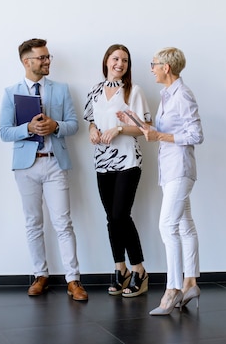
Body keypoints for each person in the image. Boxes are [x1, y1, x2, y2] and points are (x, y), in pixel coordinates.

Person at [0, 38, 88, 301]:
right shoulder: (9, 92)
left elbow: (74, 125)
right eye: (42, 58)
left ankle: (74, 280)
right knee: (33, 223)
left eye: (48, 57)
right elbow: (3, 132)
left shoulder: (61, 89)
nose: (48, 61)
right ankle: (41, 275)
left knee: (63, 223)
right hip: (26, 166)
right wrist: (28, 128)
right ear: (27, 62)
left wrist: (55, 126)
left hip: (54, 162)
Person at [117, 47, 203, 316]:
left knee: (167, 226)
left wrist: (160, 137)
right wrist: (146, 129)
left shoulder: (183, 94)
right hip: (171, 169)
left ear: (166, 67)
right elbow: (170, 131)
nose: (151, 68)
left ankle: (173, 288)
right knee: (184, 225)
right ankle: (190, 282)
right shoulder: (168, 95)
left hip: (180, 169)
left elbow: (196, 134)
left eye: (154, 64)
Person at [83, 44, 151, 297]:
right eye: (115, 58)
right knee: (112, 218)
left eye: (124, 60)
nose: (119, 64)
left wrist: (120, 129)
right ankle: (119, 269)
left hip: (127, 161)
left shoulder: (134, 91)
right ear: (106, 61)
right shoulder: (95, 90)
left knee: (122, 215)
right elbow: (91, 120)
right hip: (102, 161)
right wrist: (93, 130)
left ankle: (139, 270)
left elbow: (146, 128)